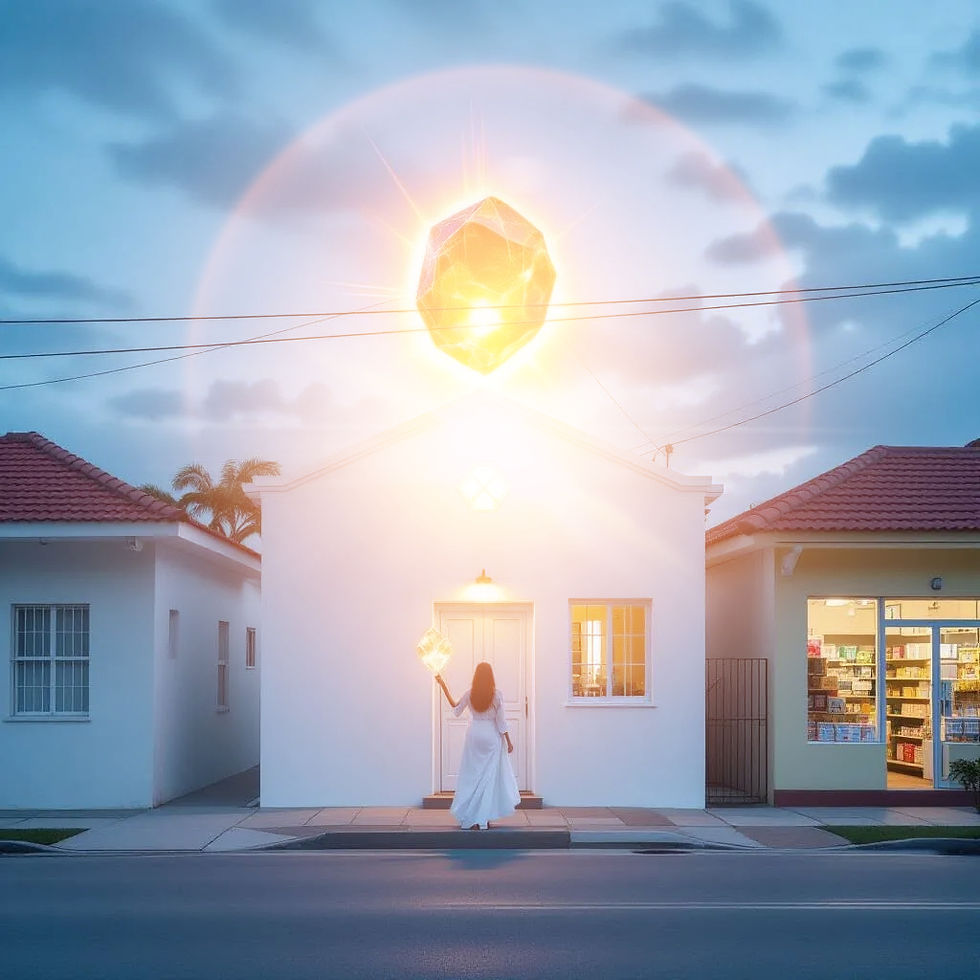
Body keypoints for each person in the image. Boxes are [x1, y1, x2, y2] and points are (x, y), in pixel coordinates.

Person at [435, 662, 520, 830]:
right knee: (487, 777)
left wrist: (443, 685)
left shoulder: (470, 694)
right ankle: (483, 818)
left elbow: (455, 708)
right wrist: (509, 741)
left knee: (472, 776)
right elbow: (501, 722)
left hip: (474, 734)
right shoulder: (496, 695)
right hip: (491, 735)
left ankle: (471, 815)